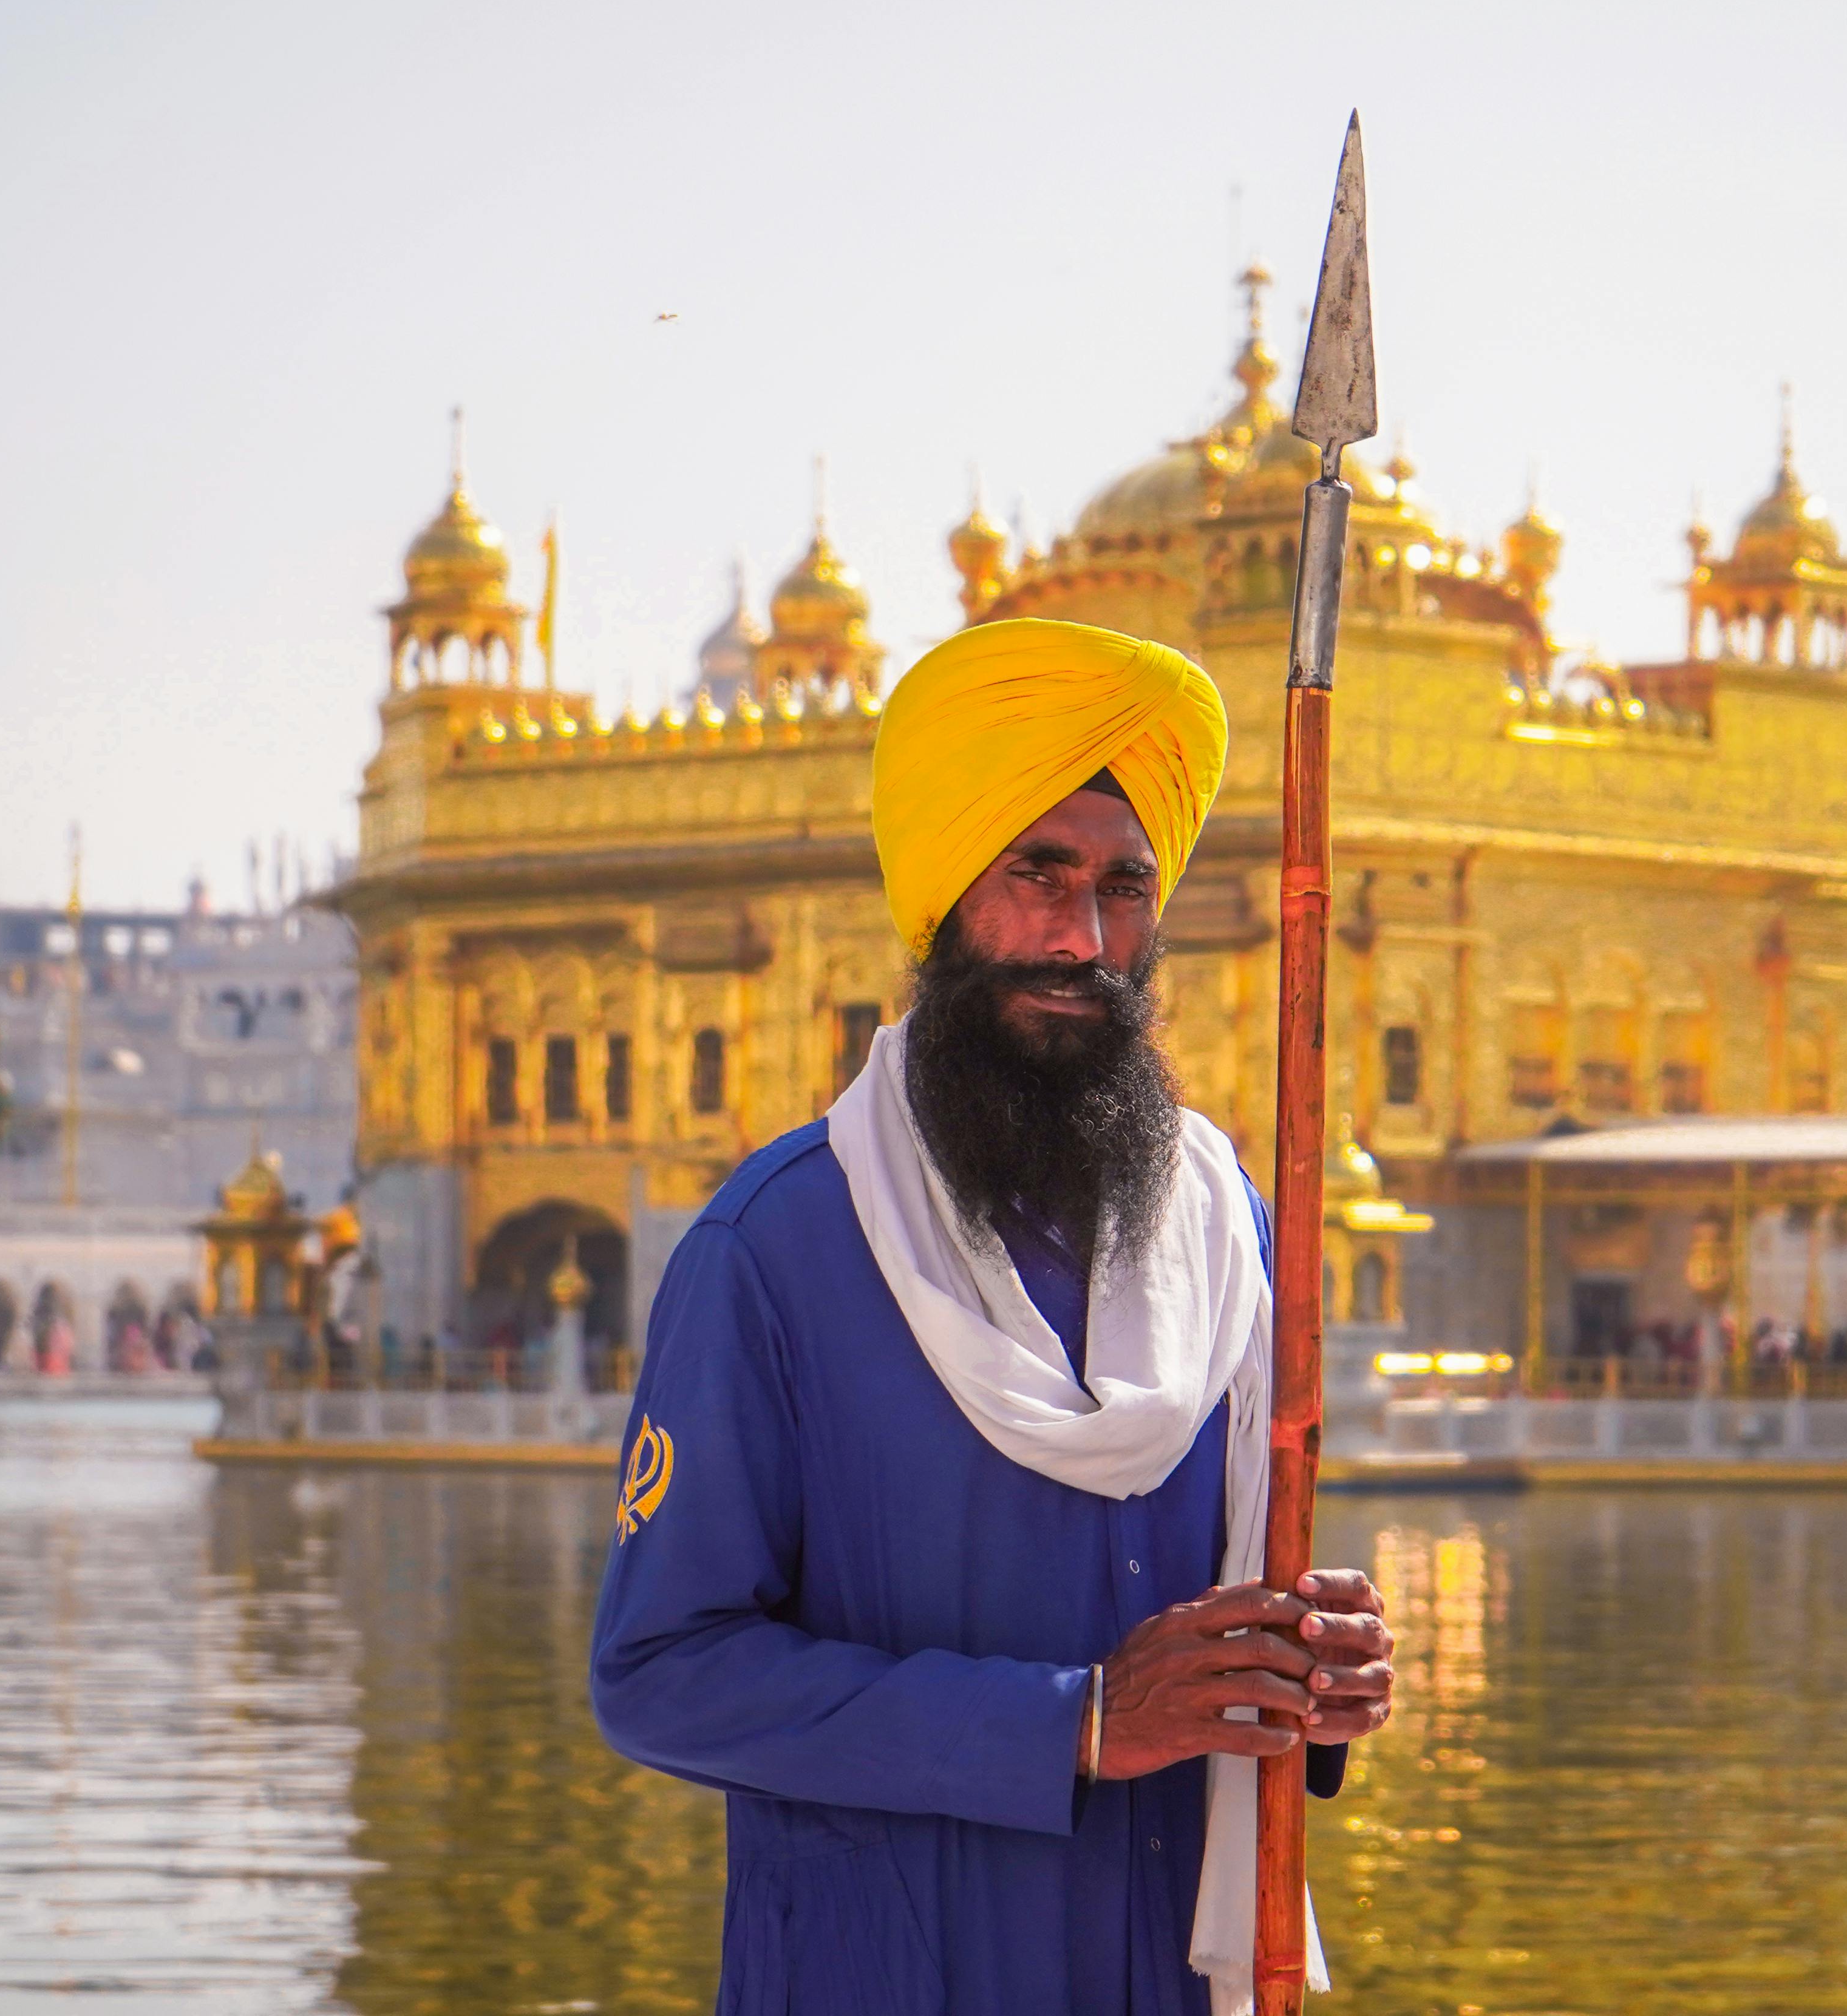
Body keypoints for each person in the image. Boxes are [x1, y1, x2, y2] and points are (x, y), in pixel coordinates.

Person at [590, 618, 1398, 2016]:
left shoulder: (1222, 1230)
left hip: (1160, 1965)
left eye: (1123, 887)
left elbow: (1209, 1623)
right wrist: (1071, 1721)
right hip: (889, 1966)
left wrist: (1299, 1670)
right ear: (948, 892)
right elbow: (663, 1672)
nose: (1080, 936)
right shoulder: (782, 1246)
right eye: (1037, 873)